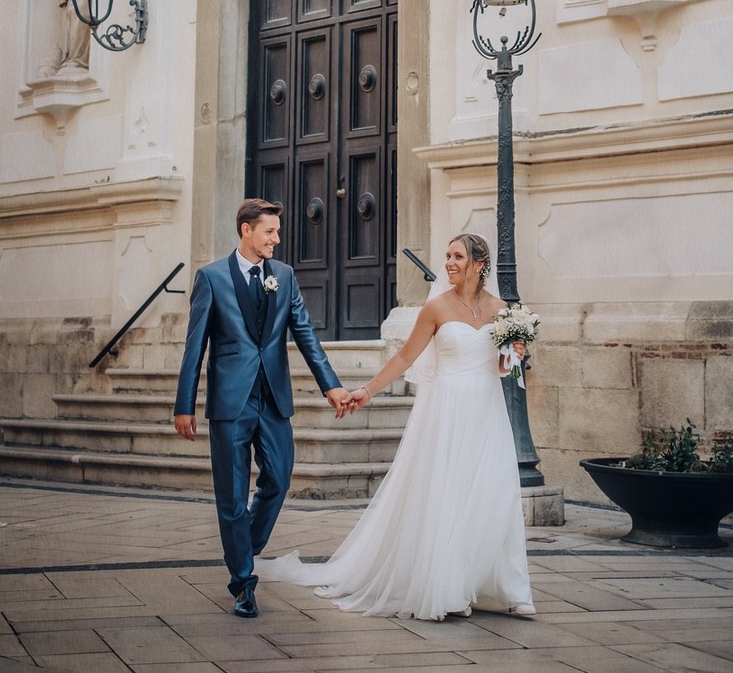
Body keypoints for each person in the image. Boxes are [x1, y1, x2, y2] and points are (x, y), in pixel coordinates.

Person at [258, 233, 535, 621]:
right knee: (449, 495)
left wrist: (515, 354)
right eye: (447, 256)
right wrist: (368, 390)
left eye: (457, 256)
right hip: (447, 410)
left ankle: (507, 588)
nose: (449, 263)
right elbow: (406, 356)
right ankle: (448, 588)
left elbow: (502, 368)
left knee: (493, 492)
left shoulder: (502, 310)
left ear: (479, 263)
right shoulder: (436, 307)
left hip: (487, 411)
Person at [173, 199, 351, 619]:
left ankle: (242, 548)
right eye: (269, 231)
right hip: (230, 403)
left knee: (278, 478)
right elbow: (194, 345)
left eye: (277, 231)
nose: (277, 238)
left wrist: (332, 385)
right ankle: (243, 582)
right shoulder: (211, 278)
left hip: (272, 398)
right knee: (231, 496)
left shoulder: (284, 276)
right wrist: (185, 404)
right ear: (246, 230)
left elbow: (304, 332)